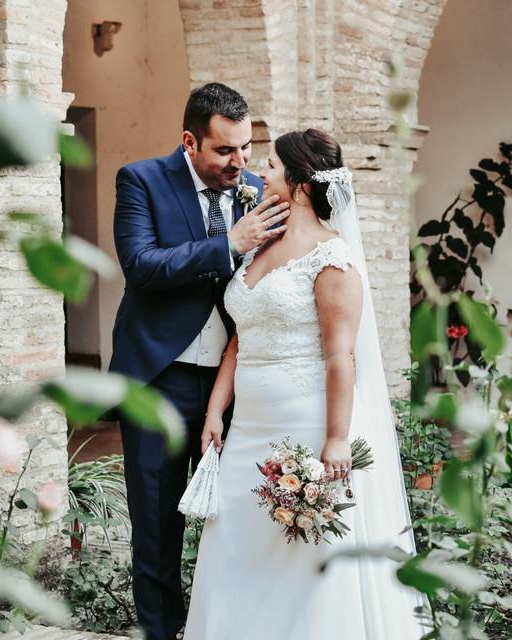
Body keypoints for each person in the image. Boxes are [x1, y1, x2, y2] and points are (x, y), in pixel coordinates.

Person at [184, 129, 425, 638]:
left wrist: (336, 439)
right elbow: (238, 341)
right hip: (246, 428)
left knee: (301, 554)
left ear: (296, 183)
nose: (259, 172)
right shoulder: (259, 246)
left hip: (303, 425)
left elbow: (342, 356)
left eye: (269, 165)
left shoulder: (332, 258)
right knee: (235, 545)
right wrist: (214, 411)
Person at [110, 82, 290, 640]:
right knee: (158, 529)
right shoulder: (141, 180)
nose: (240, 163)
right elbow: (142, 265)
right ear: (190, 142)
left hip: (234, 388)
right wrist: (228, 244)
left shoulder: (258, 190)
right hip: (159, 383)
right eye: (224, 151)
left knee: (238, 523)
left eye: (245, 148)